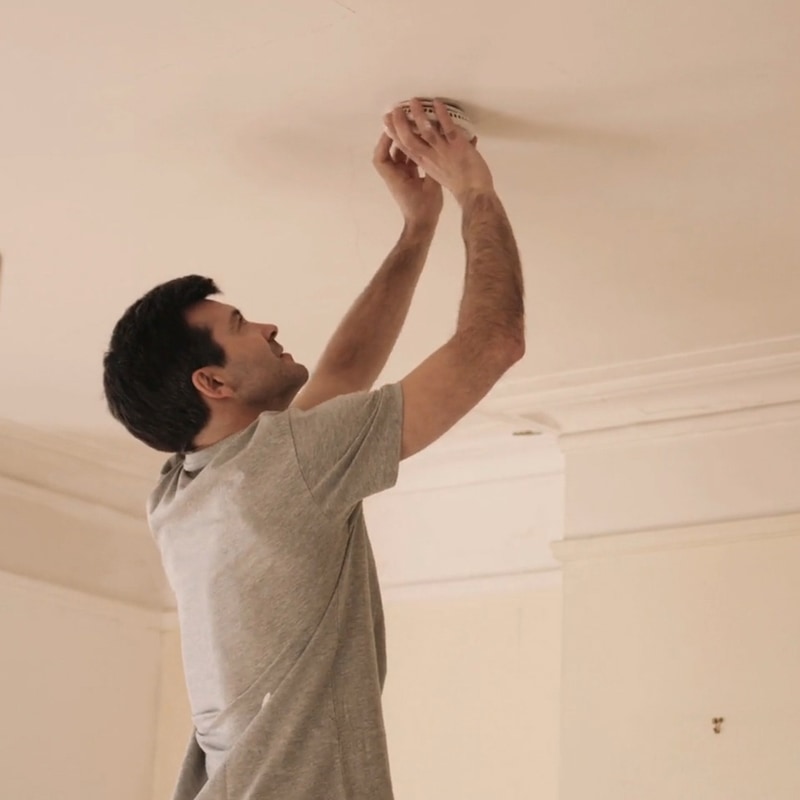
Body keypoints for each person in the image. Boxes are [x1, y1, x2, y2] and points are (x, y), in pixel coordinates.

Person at [103, 98, 525, 800]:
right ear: (212, 381)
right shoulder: (276, 475)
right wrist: (473, 189)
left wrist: (419, 225)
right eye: (240, 325)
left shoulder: (186, 493)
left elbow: (340, 379)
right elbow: (492, 344)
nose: (266, 323)